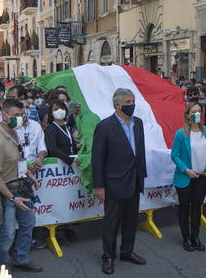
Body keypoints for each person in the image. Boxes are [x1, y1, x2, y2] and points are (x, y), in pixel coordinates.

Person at [92, 88, 147, 275]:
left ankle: (127, 251)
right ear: (117, 104)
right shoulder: (105, 126)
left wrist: (142, 174)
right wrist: (99, 185)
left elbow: (139, 151)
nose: (132, 105)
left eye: (133, 101)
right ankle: (108, 256)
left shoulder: (138, 123)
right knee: (112, 222)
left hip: (134, 179)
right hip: (114, 182)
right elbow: (97, 158)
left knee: (131, 220)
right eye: (128, 102)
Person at [0, 99, 42, 272]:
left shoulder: (15, 133)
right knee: (7, 232)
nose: (20, 118)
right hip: (4, 192)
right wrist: (12, 198)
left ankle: (21, 259)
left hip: (20, 187)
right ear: (4, 115)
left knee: (28, 223)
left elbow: (19, 159)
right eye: (16, 115)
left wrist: (29, 174)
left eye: (21, 114)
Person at [171, 102, 206, 252]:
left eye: (199, 111)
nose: (197, 114)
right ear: (188, 116)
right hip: (186, 177)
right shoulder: (181, 134)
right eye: (194, 111)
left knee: (197, 207)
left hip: (202, 176)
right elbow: (174, 155)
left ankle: (195, 237)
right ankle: (186, 237)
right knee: (184, 207)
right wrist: (186, 170)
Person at [44, 100, 79, 243]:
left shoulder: (65, 127)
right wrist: (69, 159)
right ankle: (55, 229)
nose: (60, 111)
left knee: (67, 197)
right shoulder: (51, 129)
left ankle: (68, 227)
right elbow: (52, 148)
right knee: (57, 199)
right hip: (58, 167)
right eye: (56, 108)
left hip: (69, 168)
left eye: (62, 108)